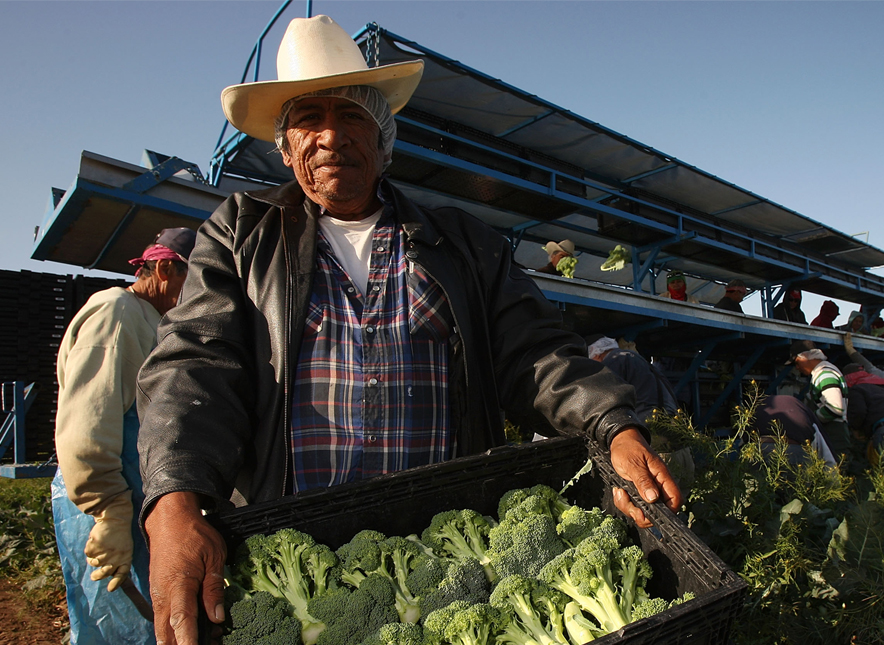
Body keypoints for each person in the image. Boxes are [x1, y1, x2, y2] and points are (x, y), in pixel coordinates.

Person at [133, 16, 680, 645]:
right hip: (300, 539)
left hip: (441, 547)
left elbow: (534, 353)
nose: (330, 136)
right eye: (308, 118)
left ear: (384, 138)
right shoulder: (241, 235)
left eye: (352, 117)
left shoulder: (462, 241)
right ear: (285, 149)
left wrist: (610, 424)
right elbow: (194, 364)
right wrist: (174, 497)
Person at [52, 227, 195, 645]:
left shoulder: (157, 319)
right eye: (195, 279)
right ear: (166, 268)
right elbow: (87, 419)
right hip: (111, 503)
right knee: (119, 627)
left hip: (141, 498)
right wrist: (107, 510)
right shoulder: (117, 312)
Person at [588, 336, 679, 421]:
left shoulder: (613, 360)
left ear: (597, 354)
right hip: (666, 413)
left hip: (646, 418)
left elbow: (604, 396)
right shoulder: (633, 357)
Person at [788, 340, 851, 457]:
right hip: (834, 434)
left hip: (833, 436)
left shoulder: (825, 374)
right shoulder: (823, 372)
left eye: (797, 362)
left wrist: (810, 419)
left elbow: (835, 408)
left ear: (805, 357)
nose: (797, 367)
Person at [751, 395, 837, 467]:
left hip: (761, 448)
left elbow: (744, 441)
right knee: (797, 486)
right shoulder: (803, 411)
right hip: (796, 450)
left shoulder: (758, 409)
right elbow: (826, 456)